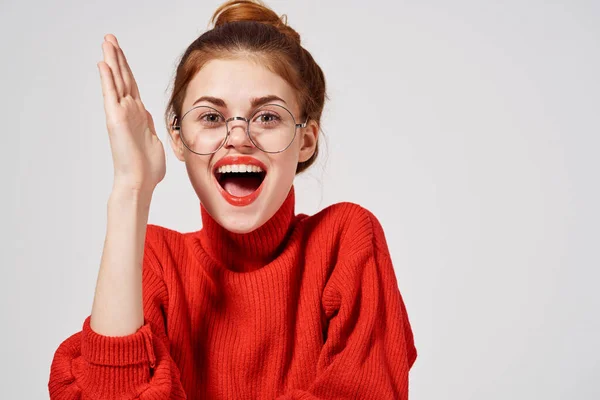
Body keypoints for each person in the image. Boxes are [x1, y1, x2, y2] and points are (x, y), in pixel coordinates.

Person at [48, 1, 417, 398]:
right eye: (210, 117)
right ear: (179, 140)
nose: (238, 137)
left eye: (268, 117)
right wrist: (131, 188)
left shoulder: (346, 241)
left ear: (306, 139)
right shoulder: (154, 259)